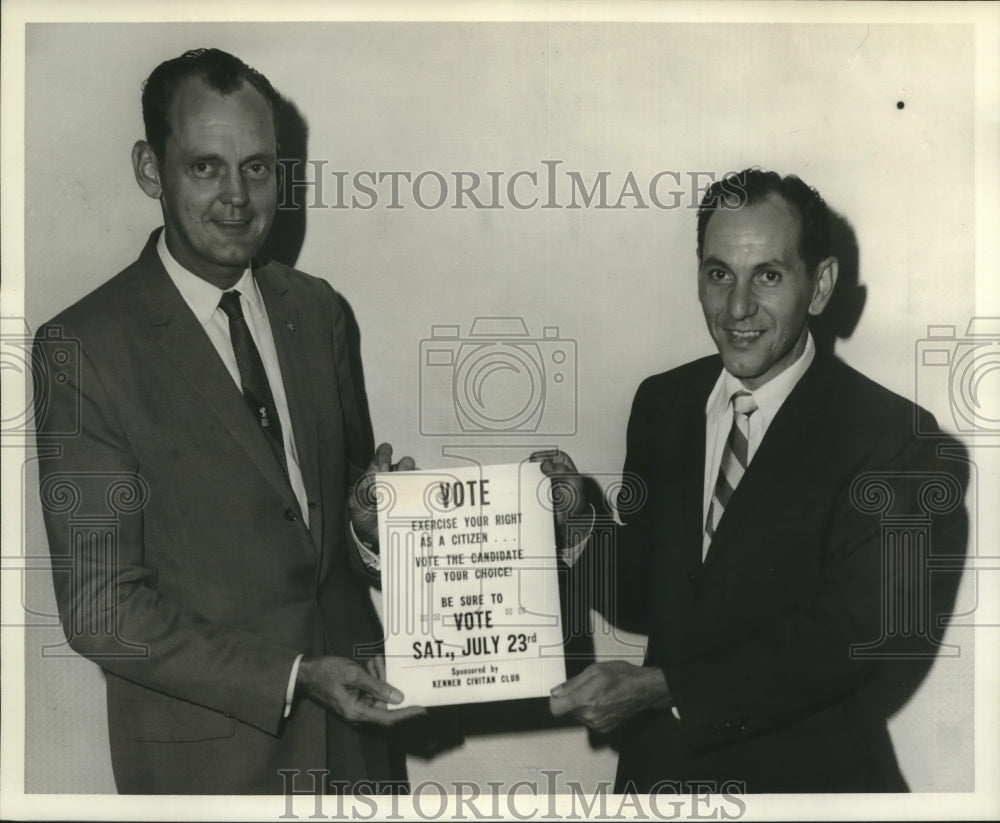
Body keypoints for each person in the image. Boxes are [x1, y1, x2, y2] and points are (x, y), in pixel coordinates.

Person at [32, 48, 424, 795]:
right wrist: (294, 676)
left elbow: (328, 536)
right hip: (207, 768)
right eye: (206, 166)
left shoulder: (319, 311)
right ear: (152, 169)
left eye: (257, 166)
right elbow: (100, 608)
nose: (238, 196)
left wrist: (374, 525)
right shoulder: (82, 348)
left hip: (357, 748)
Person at [538, 168, 968, 793]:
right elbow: (644, 596)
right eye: (719, 275)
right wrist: (580, 521)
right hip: (660, 784)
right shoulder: (663, 403)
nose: (737, 308)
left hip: (808, 790)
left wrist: (666, 689)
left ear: (819, 286)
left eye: (768, 275)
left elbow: (851, 637)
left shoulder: (894, 438)